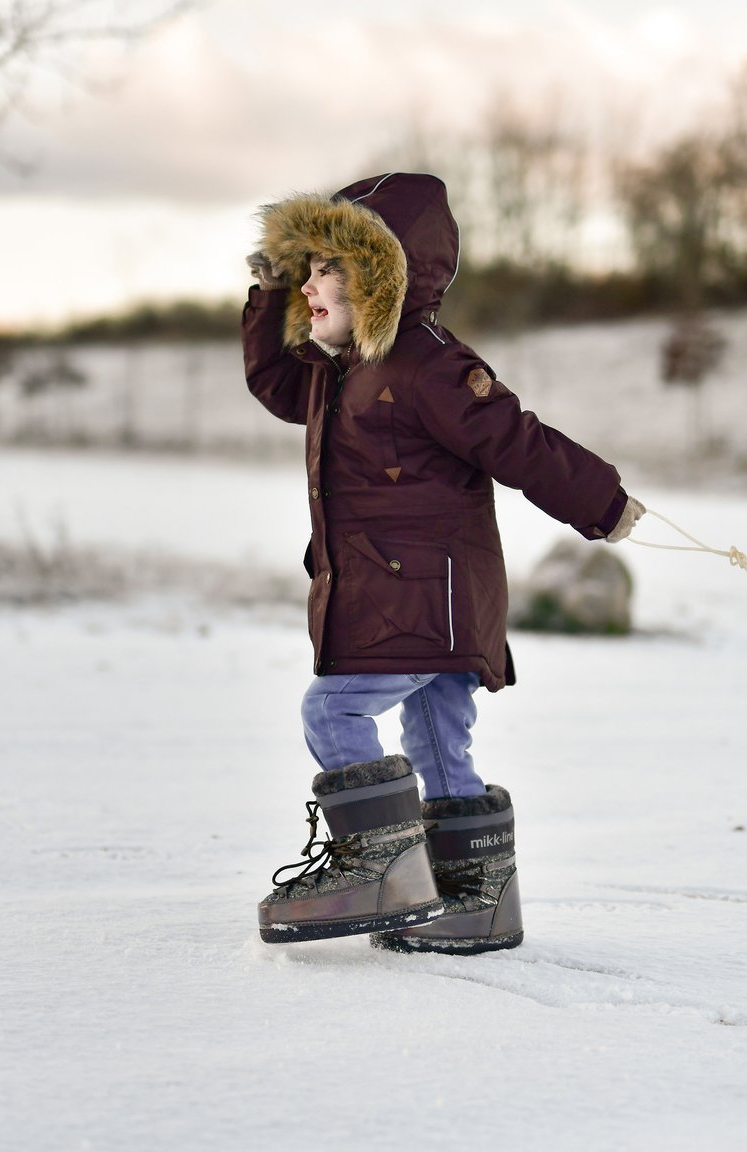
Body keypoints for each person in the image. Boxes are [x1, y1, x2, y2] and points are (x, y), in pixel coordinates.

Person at [242, 172, 644, 954]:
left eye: (330, 269)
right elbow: (276, 386)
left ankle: (380, 866)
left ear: (382, 279)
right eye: (305, 270)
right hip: (406, 593)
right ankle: (477, 897)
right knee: (434, 739)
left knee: (335, 712)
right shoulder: (341, 370)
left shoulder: (428, 362)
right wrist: (265, 298)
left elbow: (516, 439)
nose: (311, 285)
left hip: (428, 596)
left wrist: (601, 501)